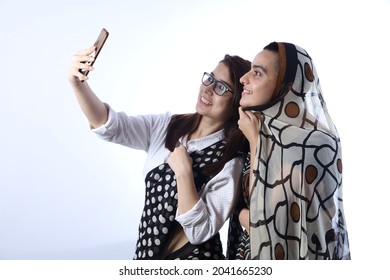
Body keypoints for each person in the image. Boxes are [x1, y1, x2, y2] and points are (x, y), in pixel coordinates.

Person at [68, 44, 251, 259]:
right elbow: (109, 125)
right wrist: (77, 84)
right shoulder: (167, 126)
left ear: (237, 101)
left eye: (221, 87)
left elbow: (199, 231)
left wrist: (184, 173)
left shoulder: (231, 161)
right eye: (210, 78)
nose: (208, 89)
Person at [227, 42, 351, 260]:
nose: (243, 79)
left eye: (257, 73)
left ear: (286, 85)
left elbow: (266, 221)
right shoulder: (258, 128)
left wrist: (256, 143)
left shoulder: (316, 143)